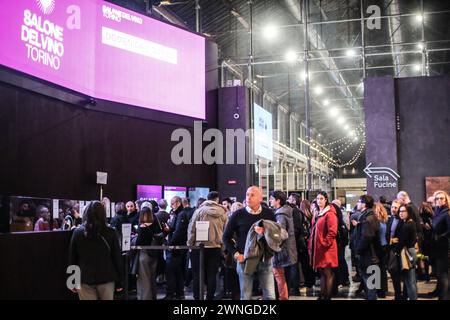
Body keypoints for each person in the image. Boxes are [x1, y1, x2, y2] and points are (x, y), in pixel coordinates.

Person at [222, 186, 277, 300]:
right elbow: (226, 237)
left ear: (260, 198)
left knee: (270, 296)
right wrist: (236, 254)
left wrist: (265, 232)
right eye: (247, 194)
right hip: (244, 260)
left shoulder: (269, 214)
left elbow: (276, 236)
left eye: (252, 195)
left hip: (264, 259)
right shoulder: (238, 214)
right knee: (246, 296)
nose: (248, 197)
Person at [68, 201, 123, 300]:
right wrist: (120, 281)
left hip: (84, 278)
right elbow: (117, 258)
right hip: (107, 277)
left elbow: (73, 258)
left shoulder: (77, 233)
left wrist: (72, 280)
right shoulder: (111, 232)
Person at [187, 191, 228, 300]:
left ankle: (197, 298)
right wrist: (223, 247)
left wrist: (190, 245)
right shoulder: (223, 212)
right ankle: (209, 298)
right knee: (212, 275)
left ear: (207, 199)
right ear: (217, 199)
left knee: (197, 275)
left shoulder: (199, 211)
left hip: (199, 247)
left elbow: (192, 229)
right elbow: (226, 231)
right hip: (215, 247)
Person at [309, 191, 338, 300]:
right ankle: (322, 294)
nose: (319, 201)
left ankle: (327, 296)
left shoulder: (330, 213)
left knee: (328, 272)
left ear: (326, 199)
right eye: (318, 199)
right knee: (321, 272)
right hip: (318, 249)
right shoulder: (318, 212)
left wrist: (324, 243)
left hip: (326, 249)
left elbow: (332, 232)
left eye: (321, 198)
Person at [269, 190, 297, 300]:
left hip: (282, 250)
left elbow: (281, 234)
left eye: (272, 199)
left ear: (278, 201)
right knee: (285, 277)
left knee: (279, 277)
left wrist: (273, 243)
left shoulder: (280, 214)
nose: (270, 201)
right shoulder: (288, 211)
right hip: (289, 250)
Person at [354, 195, 381, 300]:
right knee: (370, 283)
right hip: (369, 255)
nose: (358, 203)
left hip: (368, 256)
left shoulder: (368, 218)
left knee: (370, 283)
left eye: (359, 201)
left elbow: (367, 237)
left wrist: (358, 250)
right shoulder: (368, 216)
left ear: (364, 204)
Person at [164, 196, 190, 300]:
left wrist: (170, 243)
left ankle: (171, 293)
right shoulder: (176, 214)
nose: (171, 205)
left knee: (171, 271)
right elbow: (174, 229)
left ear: (178, 203)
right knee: (178, 271)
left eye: (173, 203)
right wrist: (168, 229)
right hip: (176, 246)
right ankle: (179, 293)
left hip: (176, 247)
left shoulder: (181, 214)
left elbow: (179, 231)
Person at [393, 204, 418, 300]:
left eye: (404, 211)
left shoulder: (408, 225)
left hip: (408, 252)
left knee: (409, 280)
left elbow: (402, 241)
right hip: (410, 251)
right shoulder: (409, 223)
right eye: (400, 211)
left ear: (409, 212)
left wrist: (396, 251)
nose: (401, 213)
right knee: (411, 280)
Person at [134, 207, 157, 300]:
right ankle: (152, 296)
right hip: (154, 253)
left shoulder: (142, 226)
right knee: (152, 277)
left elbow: (138, 242)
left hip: (144, 254)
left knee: (144, 279)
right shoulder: (154, 225)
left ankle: (145, 298)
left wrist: (136, 236)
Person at [431, 190, 450, 300]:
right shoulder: (438, 211)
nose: (439, 200)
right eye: (437, 198)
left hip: (445, 247)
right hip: (438, 247)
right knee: (441, 274)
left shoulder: (447, 212)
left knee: (444, 275)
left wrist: (440, 237)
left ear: (446, 200)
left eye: (441, 198)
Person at [386, 199, 404, 300]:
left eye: (396, 207)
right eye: (392, 207)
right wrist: (390, 241)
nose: (393, 209)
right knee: (393, 273)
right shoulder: (391, 219)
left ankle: (403, 296)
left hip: (401, 250)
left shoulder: (403, 220)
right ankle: (398, 295)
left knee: (403, 275)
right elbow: (388, 234)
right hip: (392, 249)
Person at [374, 203, 389, 298]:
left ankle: (379, 291)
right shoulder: (385, 221)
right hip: (385, 246)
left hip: (378, 247)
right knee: (383, 270)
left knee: (377, 270)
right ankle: (383, 290)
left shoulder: (376, 222)